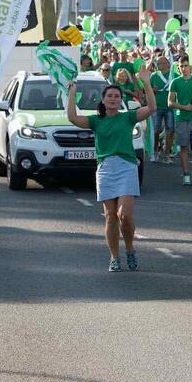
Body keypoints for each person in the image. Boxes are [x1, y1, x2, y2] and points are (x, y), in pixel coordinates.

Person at [66, 65, 155, 271]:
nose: (113, 99)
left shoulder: (127, 117)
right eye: (110, 96)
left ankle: (130, 248)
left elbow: (151, 108)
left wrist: (146, 83)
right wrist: (72, 93)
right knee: (110, 216)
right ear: (103, 100)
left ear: (121, 100)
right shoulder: (96, 120)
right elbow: (73, 118)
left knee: (125, 216)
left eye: (117, 96)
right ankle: (114, 257)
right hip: (106, 168)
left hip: (126, 166)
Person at [168, 55, 192, 185]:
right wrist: (184, 107)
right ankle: (186, 174)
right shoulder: (175, 82)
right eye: (181, 66)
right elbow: (170, 103)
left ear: (191, 67)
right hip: (182, 119)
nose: (183, 68)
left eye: (186, 66)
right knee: (184, 148)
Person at [149, 56, 175, 163]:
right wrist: (153, 90)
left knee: (170, 131)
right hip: (156, 107)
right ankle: (155, 151)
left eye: (162, 63)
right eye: (158, 63)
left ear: (168, 64)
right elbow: (147, 91)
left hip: (170, 107)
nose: (160, 65)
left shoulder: (173, 75)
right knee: (155, 130)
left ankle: (167, 155)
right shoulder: (154, 76)